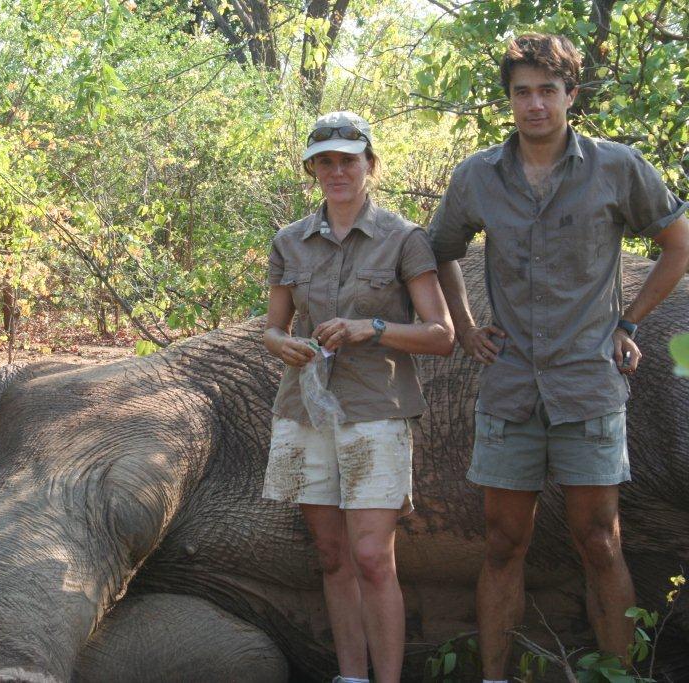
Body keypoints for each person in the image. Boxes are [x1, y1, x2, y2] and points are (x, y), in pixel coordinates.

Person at [428, 33, 689, 683]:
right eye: (522, 91)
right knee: (502, 544)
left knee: (600, 542)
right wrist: (464, 325)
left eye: (548, 89)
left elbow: (678, 245)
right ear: (509, 99)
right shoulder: (478, 175)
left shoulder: (616, 167)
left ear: (571, 93)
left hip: (588, 384)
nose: (535, 103)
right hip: (511, 386)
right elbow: (439, 248)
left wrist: (629, 319)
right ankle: (495, 676)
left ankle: (622, 676)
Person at [262, 111, 454, 683]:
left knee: (372, 556)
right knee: (330, 554)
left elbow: (441, 335)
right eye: (326, 161)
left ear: (370, 164)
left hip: (376, 411)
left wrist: (370, 328)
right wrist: (284, 346)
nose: (337, 170)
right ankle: (351, 675)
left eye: (349, 159)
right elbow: (273, 327)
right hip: (304, 410)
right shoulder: (289, 241)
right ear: (312, 169)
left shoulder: (403, 238)